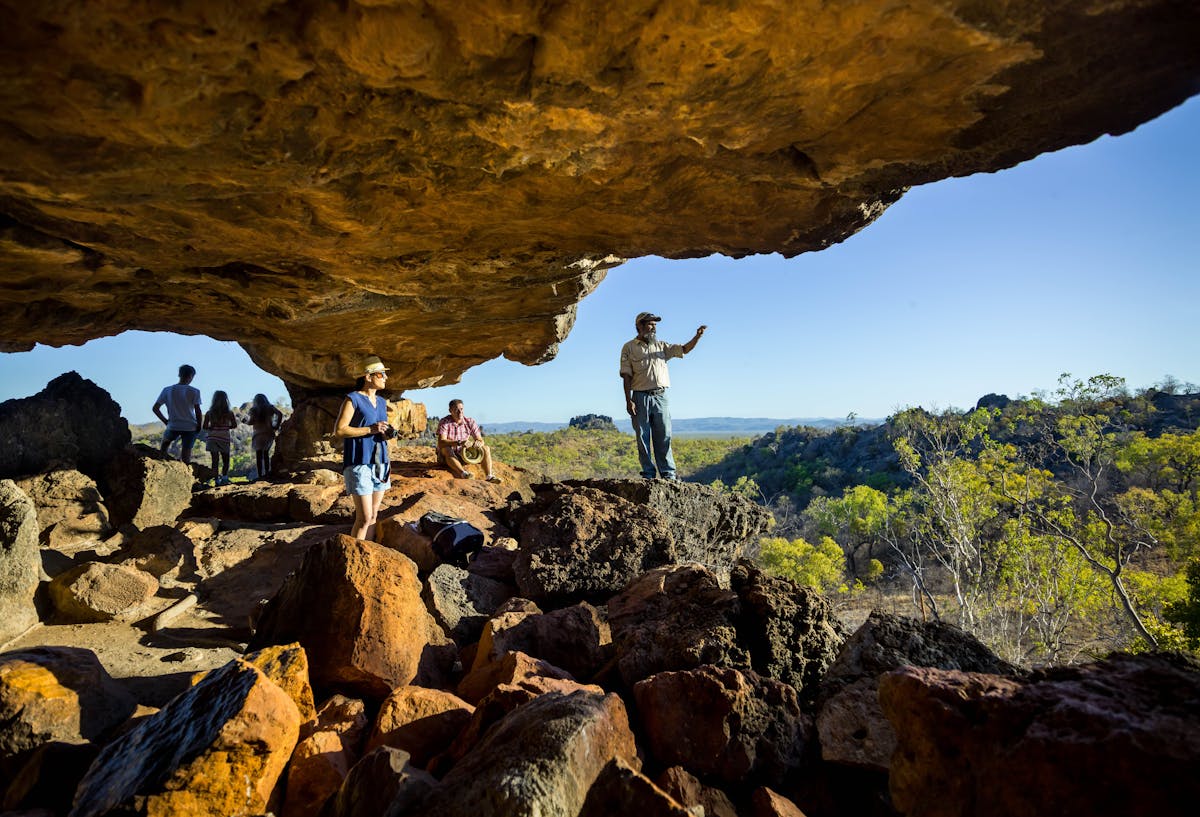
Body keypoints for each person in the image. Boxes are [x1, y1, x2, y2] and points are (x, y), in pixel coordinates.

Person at [619, 312, 707, 480]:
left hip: (661, 396)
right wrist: (628, 400)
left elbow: (684, 349)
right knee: (643, 437)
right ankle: (648, 474)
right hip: (640, 397)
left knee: (664, 435)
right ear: (640, 326)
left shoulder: (662, 346)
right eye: (650, 324)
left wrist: (697, 337)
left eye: (655, 325)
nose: (654, 328)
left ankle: (668, 474)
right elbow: (626, 376)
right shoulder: (629, 347)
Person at [333, 356, 394, 540]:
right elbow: (340, 430)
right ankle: (354, 558)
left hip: (380, 462)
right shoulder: (353, 399)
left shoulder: (382, 402)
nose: (385, 377)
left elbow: (380, 429)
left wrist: (387, 432)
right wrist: (370, 429)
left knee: (374, 516)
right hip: (359, 462)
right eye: (381, 374)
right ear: (368, 376)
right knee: (364, 518)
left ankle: (367, 554)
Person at [437, 399, 501, 483]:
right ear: (450, 411)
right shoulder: (444, 422)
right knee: (447, 449)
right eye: (456, 410)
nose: (460, 412)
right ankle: (463, 474)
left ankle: (489, 476)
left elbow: (480, 440)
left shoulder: (470, 422)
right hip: (446, 457)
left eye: (461, 409)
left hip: (464, 455)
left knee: (486, 448)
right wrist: (459, 442)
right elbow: (441, 442)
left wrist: (478, 442)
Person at [153, 364, 203, 464]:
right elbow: (198, 411)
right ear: (191, 376)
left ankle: (161, 462)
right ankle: (186, 473)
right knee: (186, 452)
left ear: (179, 374)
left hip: (173, 425)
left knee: (165, 445)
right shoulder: (195, 391)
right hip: (190, 426)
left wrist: (166, 422)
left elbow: (155, 408)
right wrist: (199, 425)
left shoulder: (167, 390)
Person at [202, 390, 240, 486]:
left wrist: (212, 427)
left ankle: (216, 480)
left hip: (212, 438)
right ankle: (224, 478)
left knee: (215, 461)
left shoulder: (209, 413)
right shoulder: (229, 413)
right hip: (224, 438)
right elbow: (234, 425)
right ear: (226, 400)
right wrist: (226, 427)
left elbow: (205, 427)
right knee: (226, 460)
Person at [246, 393, 284, 481]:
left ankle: (260, 475)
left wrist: (246, 422)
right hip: (269, 433)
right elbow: (280, 414)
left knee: (259, 455)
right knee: (266, 453)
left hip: (258, 434)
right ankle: (267, 473)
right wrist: (276, 425)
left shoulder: (254, 410)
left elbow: (251, 422)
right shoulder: (270, 407)